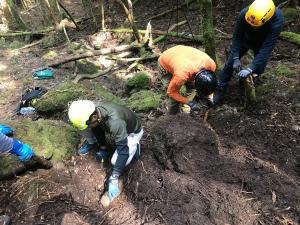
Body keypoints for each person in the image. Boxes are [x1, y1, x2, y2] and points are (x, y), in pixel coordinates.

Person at [68, 100, 143, 206]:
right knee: (86, 128)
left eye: (89, 123)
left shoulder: (115, 122)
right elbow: (97, 128)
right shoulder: (95, 112)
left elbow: (123, 151)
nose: (89, 126)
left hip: (133, 133)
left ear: (94, 117)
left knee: (115, 161)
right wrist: (102, 146)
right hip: (118, 127)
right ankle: (93, 143)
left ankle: (135, 146)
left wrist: (114, 176)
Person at [214, 0, 284, 104]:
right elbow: (237, 36)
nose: (252, 25)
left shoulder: (277, 20)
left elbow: (267, 48)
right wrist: (236, 58)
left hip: (261, 44)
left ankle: (246, 85)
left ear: (266, 18)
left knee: (258, 68)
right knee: (229, 64)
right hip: (245, 39)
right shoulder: (245, 13)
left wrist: (251, 68)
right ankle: (220, 88)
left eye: (255, 25)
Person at [158, 45, 217, 114]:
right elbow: (171, 93)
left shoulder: (211, 65)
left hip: (182, 56)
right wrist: (190, 103)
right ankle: (171, 117)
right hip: (165, 61)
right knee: (174, 100)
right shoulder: (181, 76)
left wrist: (210, 97)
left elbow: (210, 83)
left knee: (192, 88)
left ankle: (185, 109)